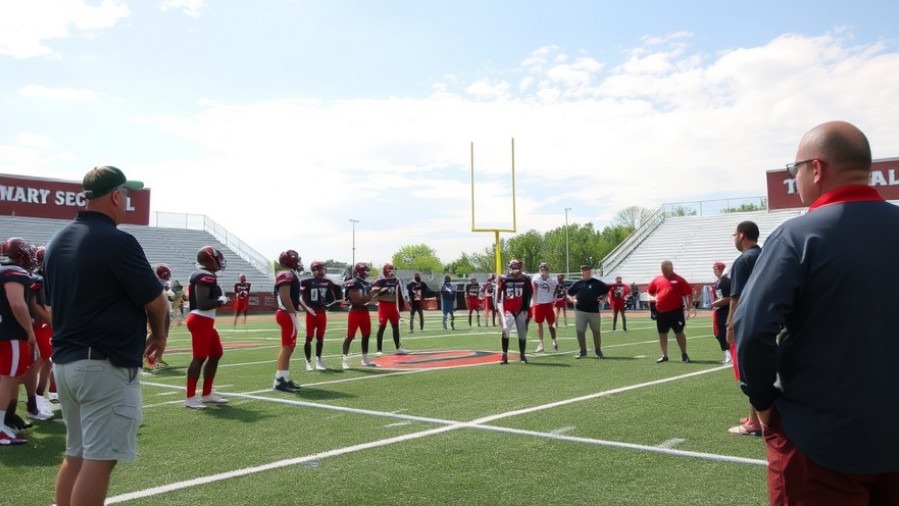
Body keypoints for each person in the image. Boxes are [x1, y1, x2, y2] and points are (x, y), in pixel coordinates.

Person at [735, 121, 899, 504]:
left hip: (818, 441)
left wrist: (761, 401)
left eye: (796, 170)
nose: (796, 178)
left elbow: (754, 330)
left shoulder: (799, 236)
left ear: (817, 168)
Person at [44, 166, 168, 505]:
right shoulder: (117, 241)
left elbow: (52, 306)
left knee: (76, 453)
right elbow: (157, 302)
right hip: (102, 363)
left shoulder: (57, 241)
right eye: (126, 195)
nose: (126, 202)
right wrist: (159, 336)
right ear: (115, 195)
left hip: (66, 361)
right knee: (99, 459)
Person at [724, 221, 762, 437]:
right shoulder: (765, 255)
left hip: (748, 322)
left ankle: (755, 423)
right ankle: (754, 417)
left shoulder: (743, 261)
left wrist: (730, 324)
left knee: (749, 373)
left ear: (742, 235)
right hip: (767, 320)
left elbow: (736, 297)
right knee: (757, 369)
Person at [0, 237, 38, 445]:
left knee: (7, 378)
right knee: (8, 378)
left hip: (3, 330)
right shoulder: (13, 272)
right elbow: (17, 304)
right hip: (10, 333)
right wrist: (29, 330)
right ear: (21, 255)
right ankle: (0, 429)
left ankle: (5, 422)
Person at [184, 246, 230, 409]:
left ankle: (207, 394)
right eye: (218, 258)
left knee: (216, 353)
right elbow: (203, 304)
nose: (220, 262)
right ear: (210, 259)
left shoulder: (205, 275)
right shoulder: (205, 276)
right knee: (200, 357)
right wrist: (220, 301)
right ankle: (190, 398)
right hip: (200, 319)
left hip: (205, 320)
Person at [272, 250, 314, 391]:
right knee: (287, 347)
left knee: (289, 346)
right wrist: (292, 313)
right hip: (285, 313)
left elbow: (295, 296)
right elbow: (285, 296)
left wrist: (305, 308)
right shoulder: (286, 274)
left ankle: (284, 377)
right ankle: (280, 380)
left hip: (287, 313)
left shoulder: (289, 274)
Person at [646, 260, 692, 363]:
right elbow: (650, 291)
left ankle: (684, 354)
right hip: (661, 312)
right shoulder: (657, 279)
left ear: (671, 268)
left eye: (665, 268)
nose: (663, 270)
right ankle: (665, 355)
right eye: (662, 268)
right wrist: (653, 301)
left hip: (676, 311)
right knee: (662, 333)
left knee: (679, 332)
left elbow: (688, 292)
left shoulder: (679, 280)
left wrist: (689, 307)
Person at [299, 261, 342, 371]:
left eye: (322, 269)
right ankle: (308, 362)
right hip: (311, 312)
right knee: (309, 337)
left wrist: (332, 303)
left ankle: (318, 360)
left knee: (320, 338)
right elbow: (300, 295)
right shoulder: (306, 282)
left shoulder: (327, 282)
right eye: (319, 269)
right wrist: (305, 307)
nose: (322, 271)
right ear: (314, 270)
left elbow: (335, 295)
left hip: (322, 312)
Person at [28, 244, 55, 420]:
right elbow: (38, 306)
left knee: (45, 362)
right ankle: (36, 400)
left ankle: (39, 398)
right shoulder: (40, 277)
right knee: (42, 362)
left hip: (41, 324)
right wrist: (53, 322)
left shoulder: (42, 275)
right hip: (39, 326)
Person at [567, 265, 609, 359]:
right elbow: (569, 294)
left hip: (594, 311)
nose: (587, 273)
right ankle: (583, 351)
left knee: (596, 331)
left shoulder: (597, 283)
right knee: (580, 331)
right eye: (585, 271)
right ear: (582, 272)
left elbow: (606, 290)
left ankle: (598, 351)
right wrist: (573, 300)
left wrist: (603, 298)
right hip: (580, 311)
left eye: (589, 271)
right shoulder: (577, 284)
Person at [496, 259, 532, 364]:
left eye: (517, 267)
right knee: (505, 331)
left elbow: (529, 295)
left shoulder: (526, 279)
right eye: (514, 267)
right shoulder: (504, 279)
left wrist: (527, 310)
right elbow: (498, 297)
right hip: (508, 309)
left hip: (521, 309)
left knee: (522, 333)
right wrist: (500, 312)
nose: (515, 270)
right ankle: (504, 355)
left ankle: (522, 354)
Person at [342, 262, 375, 369]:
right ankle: (344, 360)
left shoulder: (367, 283)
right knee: (350, 336)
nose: (366, 272)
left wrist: (367, 299)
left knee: (366, 335)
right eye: (365, 270)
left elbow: (370, 297)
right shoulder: (353, 282)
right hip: (355, 311)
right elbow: (356, 299)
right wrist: (366, 299)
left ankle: (365, 359)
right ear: (360, 271)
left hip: (364, 311)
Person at [371, 263, 409, 355]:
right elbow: (373, 293)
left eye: (392, 268)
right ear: (385, 270)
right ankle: (379, 349)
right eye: (389, 268)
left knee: (395, 327)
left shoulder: (396, 280)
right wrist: (384, 289)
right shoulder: (380, 281)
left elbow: (398, 294)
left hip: (392, 306)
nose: (391, 270)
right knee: (382, 327)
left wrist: (401, 306)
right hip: (384, 305)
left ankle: (398, 348)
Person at [144, 263, 174, 371]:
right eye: (168, 273)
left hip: (164, 310)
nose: (170, 275)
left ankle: (153, 357)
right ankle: (146, 356)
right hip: (159, 311)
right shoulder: (157, 283)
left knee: (162, 335)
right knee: (159, 335)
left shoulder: (162, 283)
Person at [531, 263, 558, 352]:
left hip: (548, 303)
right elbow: (534, 286)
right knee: (539, 323)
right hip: (539, 303)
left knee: (551, 324)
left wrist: (554, 300)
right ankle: (541, 343)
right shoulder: (536, 278)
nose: (543, 272)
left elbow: (556, 288)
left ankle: (554, 341)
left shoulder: (552, 279)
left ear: (548, 270)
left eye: (545, 270)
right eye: (541, 270)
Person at [709, 262, 731, 364]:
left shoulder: (725, 281)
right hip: (720, 309)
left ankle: (729, 353)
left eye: (716, 269)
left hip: (725, 310)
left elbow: (728, 298)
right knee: (718, 333)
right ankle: (727, 352)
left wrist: (714, 304)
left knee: (723, 332)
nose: (714, 271)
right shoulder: (719, 281)